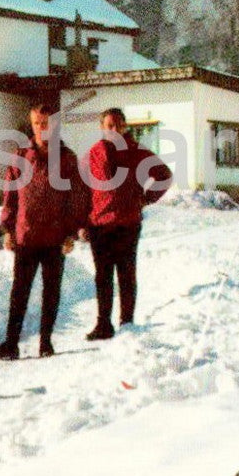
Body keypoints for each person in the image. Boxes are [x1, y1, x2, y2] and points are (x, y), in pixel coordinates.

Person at [0, 103, 90, 360]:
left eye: (46, 122)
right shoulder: (21, 157)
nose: (41, 128)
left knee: (51, 292)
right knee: (19, 292)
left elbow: (77, 198)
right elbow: (10, 197)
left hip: (55, 239)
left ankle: (45, 342)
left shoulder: (67, 158)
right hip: (26, 236)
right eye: (36, 123)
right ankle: (11, 344)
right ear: (31, 125)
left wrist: (71, 233)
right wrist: (8, 229)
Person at [84, 108, 173, 340]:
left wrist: (145, 198)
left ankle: (126, 323)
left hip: (127, 223)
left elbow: (164, 175)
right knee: (102, 276)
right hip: (100, 224)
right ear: (102, 128)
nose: (113, 130)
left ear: (124, 127)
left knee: (126, 274)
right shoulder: (94, 153)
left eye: (118, 125)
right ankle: (103, 324)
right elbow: (82, 189)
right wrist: (82, 221)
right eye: (108, 126)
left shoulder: (136, 151)